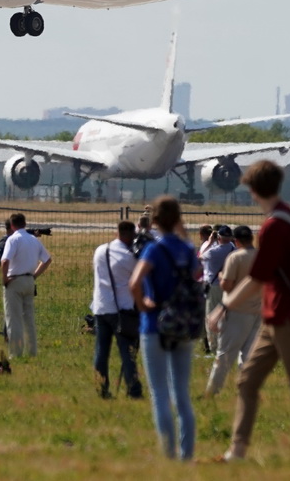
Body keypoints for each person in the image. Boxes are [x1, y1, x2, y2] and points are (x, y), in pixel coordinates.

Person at [211, 160, 290, 465]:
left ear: (255, 190)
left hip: (285, 318)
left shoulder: (274, 226)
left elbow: (258, 277)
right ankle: (237, 453)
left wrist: (223, 307)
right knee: (247, 382)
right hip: (274, 318)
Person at [129, 196, 198, 461]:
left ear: (155, 220)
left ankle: (169, 453)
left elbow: (135, 283)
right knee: (182, 394)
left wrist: (143, 304)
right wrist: (183, 231)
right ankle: (187, 454)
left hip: (155, 324)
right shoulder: (187, 249)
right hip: (182, 322)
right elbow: (197, 273)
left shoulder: (154, 249)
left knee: (159, 393)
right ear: (178, 219)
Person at [205, 225, 261, 397]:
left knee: (224, 354)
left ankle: (212, 391)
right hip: (257, 311)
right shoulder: (261, 256)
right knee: (248, 354)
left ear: (236, 241)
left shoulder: (235, 257)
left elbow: (227, 285)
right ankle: (246, 390)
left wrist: (221, 277)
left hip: (236, 310)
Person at [91, 220, 143, 399]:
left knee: (101, 352)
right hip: (122, 310)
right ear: (131, 235)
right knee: (127, 353)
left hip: (101, 307)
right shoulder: (129, 258)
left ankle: (101, 389)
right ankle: (133, 390)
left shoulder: (100, 251)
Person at [0, 213, 52, 357]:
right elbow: (47, 260)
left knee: (14, 319)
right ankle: (32, 351)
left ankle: (16, 353)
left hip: (14, 281)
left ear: (12, 225)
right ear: (25, 223)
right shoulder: (34, 240)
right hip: (29, 281)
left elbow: (5, 261)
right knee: (29, 319)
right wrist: (34, 275)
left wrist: (4, 279)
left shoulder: (13, 239)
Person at [200, 225, 236, 354]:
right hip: (230, 287)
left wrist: (210, 242)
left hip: (215, 286)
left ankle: (214, 347)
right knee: (226, 317)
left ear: (219, 237)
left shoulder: (213, 251)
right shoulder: (234, 249)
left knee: (211, 316)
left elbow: (200, 257)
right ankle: (227, 344)